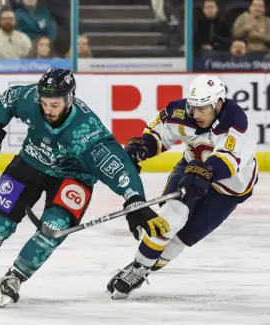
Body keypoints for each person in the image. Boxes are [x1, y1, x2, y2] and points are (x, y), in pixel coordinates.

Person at [0, 68, 170, 308]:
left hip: (74, 176)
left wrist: (134, 200)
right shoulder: (31, 99)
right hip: (31, 161)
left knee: (53, 229)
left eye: (54, 105)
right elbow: (9, 99)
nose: (48, 110)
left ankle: (14, 277)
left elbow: (120, 166)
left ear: (70, 99)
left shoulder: (86, 131)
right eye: (45, 103)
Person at [106, 74, 258, 299]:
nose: (196, 114)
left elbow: (227, 162)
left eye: (203, 108)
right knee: (169, 219)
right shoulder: (180, 112)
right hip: (190, 169)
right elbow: (158, 133)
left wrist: (206, 173)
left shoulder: (235, 122)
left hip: (229, 189)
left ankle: (144, 268)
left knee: (184, 237)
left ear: (218, 104)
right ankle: (138, 267)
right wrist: (143, 148)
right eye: (193, 107)